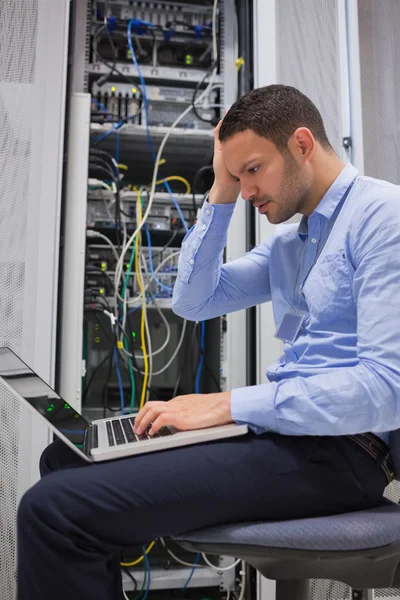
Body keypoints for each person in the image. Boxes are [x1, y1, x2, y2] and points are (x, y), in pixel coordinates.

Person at [17, 85, 400, 600]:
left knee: (53, 510)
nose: (247, 191)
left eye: (253, 170)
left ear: (302, 145)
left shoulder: (383, 218)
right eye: (237, 175)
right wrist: (219, 188)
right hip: (285, 435)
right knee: (67, 457)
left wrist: (225, 406)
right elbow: (194, 302)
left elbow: (385, 389)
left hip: (341, 451)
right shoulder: (296, 242)